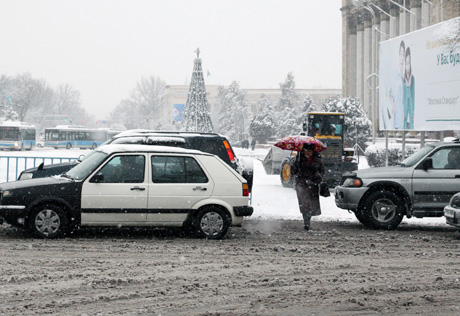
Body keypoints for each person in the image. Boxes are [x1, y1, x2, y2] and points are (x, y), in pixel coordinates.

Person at [290, 143, 325, 231]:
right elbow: (293, 172)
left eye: (309, 151)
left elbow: (322, 171)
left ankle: (308, 219)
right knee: (304, 203)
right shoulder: (299, 159)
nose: (307, 153)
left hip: (313, 185)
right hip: (302, 184)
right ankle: (306, 223)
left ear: (313, 151)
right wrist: (293, 166)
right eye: (306, 150)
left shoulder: (318, 159)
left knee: (312, 204)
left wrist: (317, 177)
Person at [403, 47, 415, 130]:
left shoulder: (413, 78)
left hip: (411, 108)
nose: (407, 66)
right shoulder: (401, 79)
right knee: (404, 118)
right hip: (403, 108)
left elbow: (413, 96)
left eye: (409, 63)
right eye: (406, 63)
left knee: (412, 119)